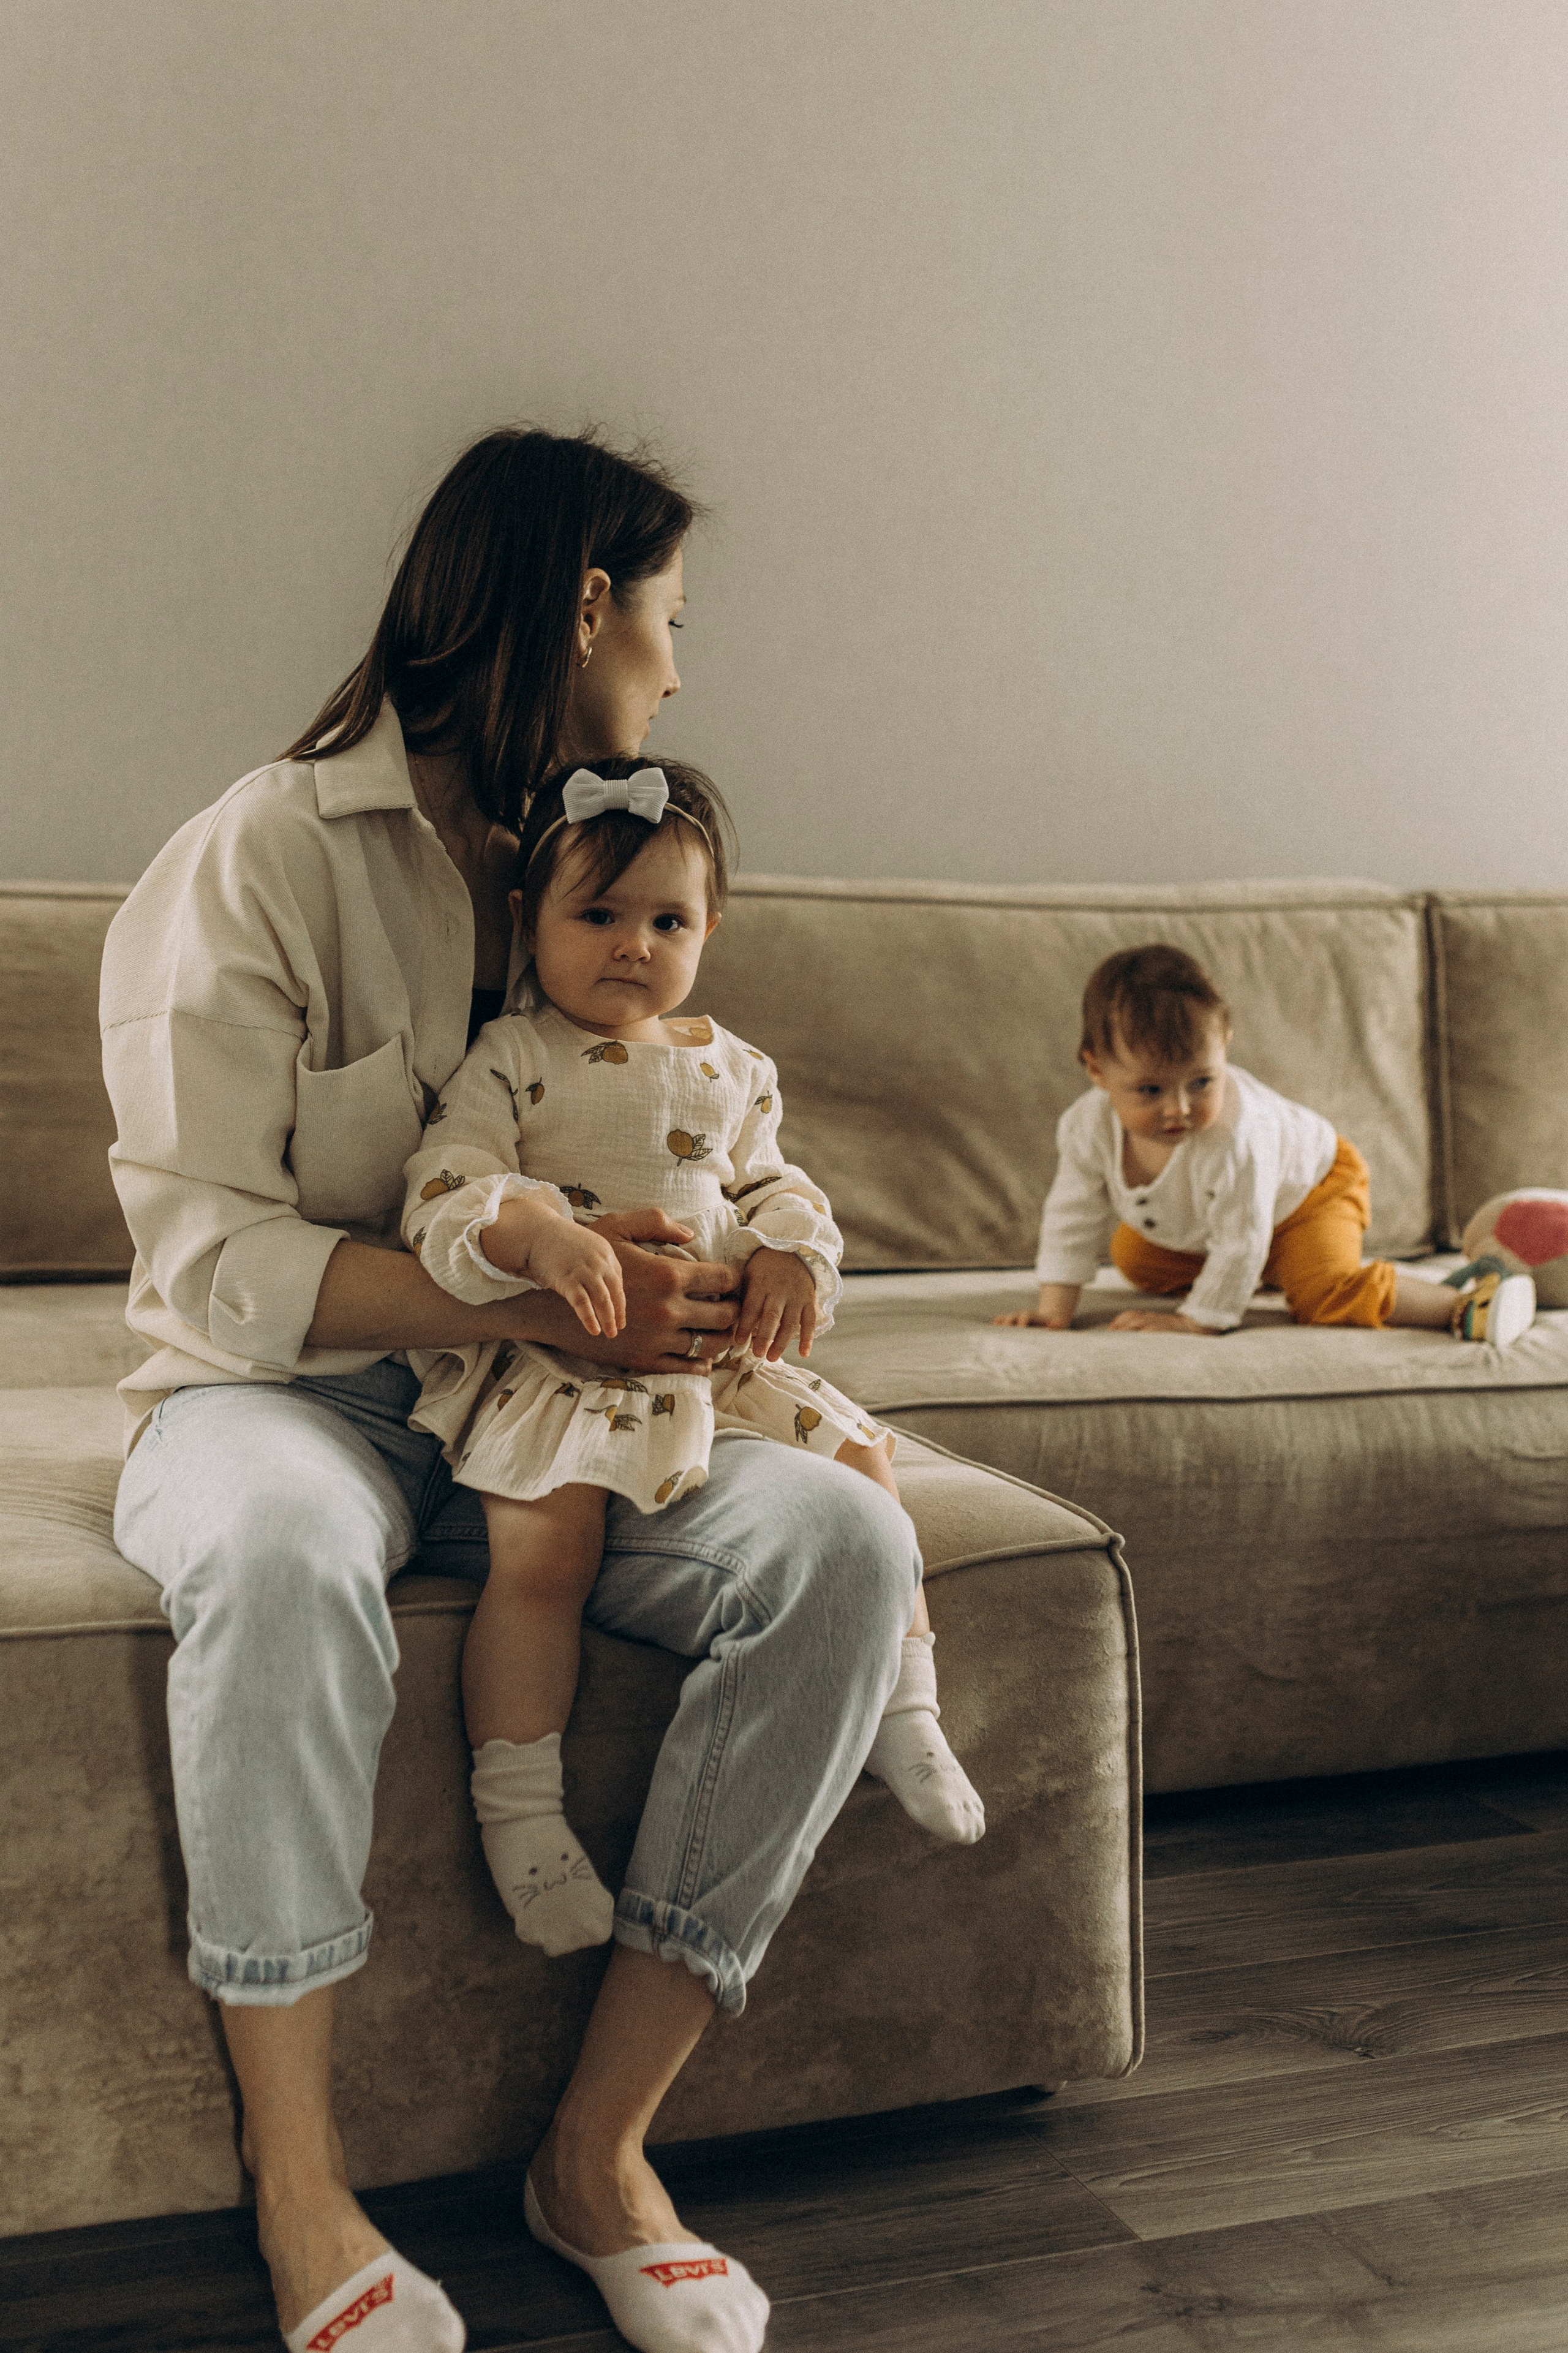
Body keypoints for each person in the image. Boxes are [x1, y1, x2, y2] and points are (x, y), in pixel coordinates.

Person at [102, 426, 922, 2353]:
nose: (676, 664)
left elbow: (714, 1128)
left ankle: (598, 2147)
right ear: (582, 605)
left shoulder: (604, 865)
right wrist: (559, 1306)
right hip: (284, 1388)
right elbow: (199, 1251)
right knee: (290, 1554)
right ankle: (296, 2180)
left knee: (842, 1546)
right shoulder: (260, 853)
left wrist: (723, 1277)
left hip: (563, 1410)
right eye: (669, 617)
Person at [402, 753, 984, 1958]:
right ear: (528, 920)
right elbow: (446, 1185)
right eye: (598, 915)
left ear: (709, 927)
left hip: (709, 1364)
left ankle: (906, 1705)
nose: (631, 945)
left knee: (865, 1463)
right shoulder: (512, 1056)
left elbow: (777, 1182)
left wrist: (788, 1254)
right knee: (542, 1546)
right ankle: (519, 1811)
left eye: (666, 920)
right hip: (563, 1366)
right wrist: (540, 1235)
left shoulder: (733, 1066)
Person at [996, 943, 1537, 1345]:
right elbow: (1071, 1215)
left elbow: (1243, 1231)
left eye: (1201, 1081)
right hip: (1222, 1221)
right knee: (1134, 1255)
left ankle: (1467, 1300)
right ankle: (1271, 1269)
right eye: (1151, 1089)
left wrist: (1198, 1318)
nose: (1179, 1109)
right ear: (1096, 1069)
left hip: (1313, 1188)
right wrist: (1054, 1311)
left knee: (1321, 1291)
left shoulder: (1236, 1134)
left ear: (1224, 1047)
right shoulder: (1086, 1127)